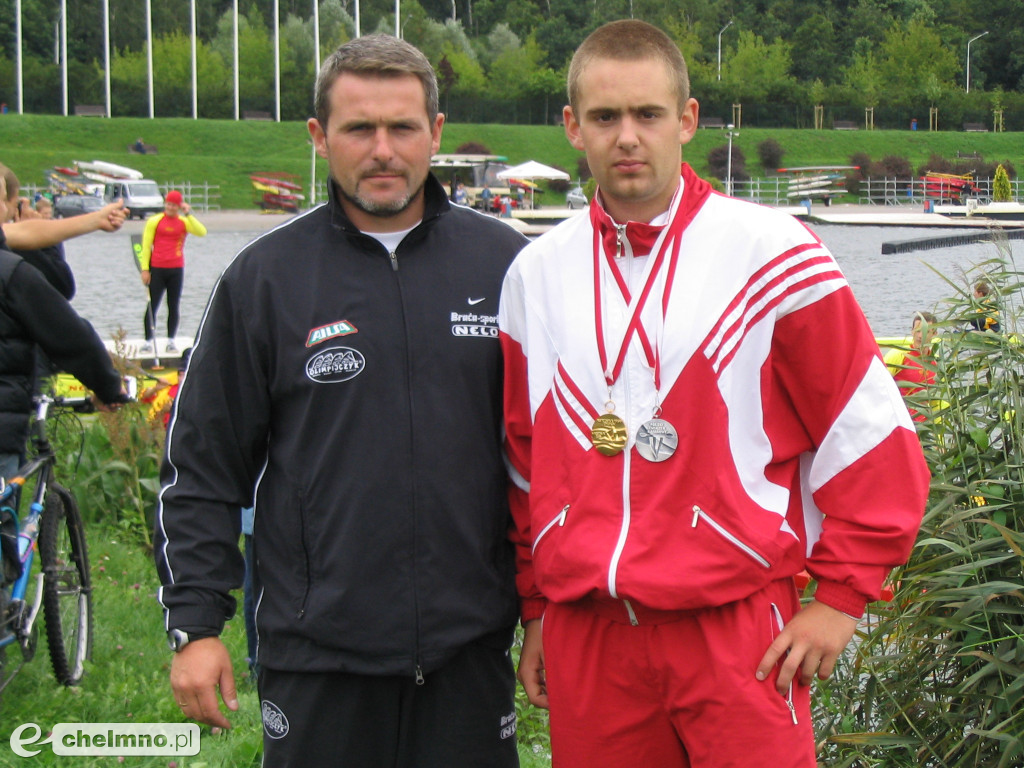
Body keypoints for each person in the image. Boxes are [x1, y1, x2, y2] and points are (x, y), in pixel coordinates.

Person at [498, 20, 930, 767]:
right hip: (589, 635)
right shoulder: (535, 273)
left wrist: (841, 599)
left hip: (736, 632)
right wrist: (536, 608)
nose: (627, 137)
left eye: (648, 114)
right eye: (604, 117)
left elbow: (870, 433)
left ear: (687, 120)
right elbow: (523, 459)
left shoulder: (773, 251)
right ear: (572, 126)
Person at [154, 34, 529, 767]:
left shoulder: (508, 265)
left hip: (468, 652)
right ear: (319, 136)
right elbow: (201, 465)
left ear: (436, 132)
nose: (383, 150)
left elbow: (548, 461)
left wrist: (544, 610)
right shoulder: (264, 279)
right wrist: (196, 625)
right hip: (316, 655)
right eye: (359, 128)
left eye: (402, 127)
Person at [0, 174, 126, 480]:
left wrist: (95, 219)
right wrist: (109, 387)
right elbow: (70, 335)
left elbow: (23, 232)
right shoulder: (11, 273)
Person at [138, 190, 206, 354]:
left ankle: (171, 341)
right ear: (165, 204)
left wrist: (188, 213)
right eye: (168, 204)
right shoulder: (154, 221)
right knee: (152, 305)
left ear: (179, 206)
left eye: (174, 205)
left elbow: (202, 232)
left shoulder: (184, 222)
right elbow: (146, 246)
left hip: (176, 269)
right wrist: (145, 269)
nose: (170, 207)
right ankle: (148, 341)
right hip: (157, 268)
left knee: (173, 305)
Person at [884, 311, 939, 422]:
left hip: (926, 425)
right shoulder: (899, 355)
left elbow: (937, 402)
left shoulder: (936, 362)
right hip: (902, 422)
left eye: (925, 331)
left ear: (934, 334)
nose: (920, 336)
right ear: (912, 331)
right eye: (917, 330)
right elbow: (879, 386)